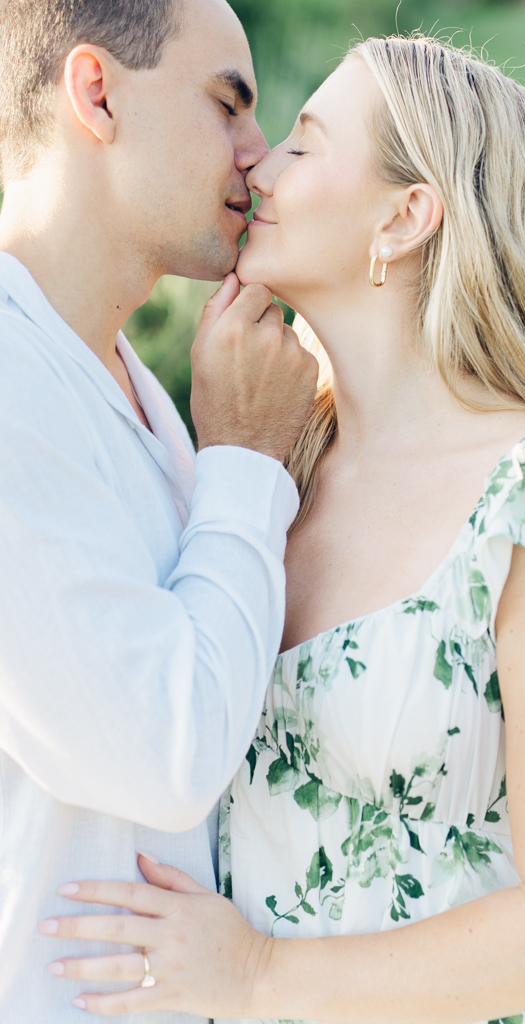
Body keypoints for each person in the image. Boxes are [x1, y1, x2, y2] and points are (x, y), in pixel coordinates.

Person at [42, 36, 525, 1024]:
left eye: (304, 146)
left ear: (404, 217)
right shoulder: (268, 480)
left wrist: (257, 975)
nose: (258, 162)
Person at [0, 0, 317, 1021]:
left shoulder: (128, 382)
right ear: (95, 93)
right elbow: (168, 752)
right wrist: (243, 459)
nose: (257, 156)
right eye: (228, 104)